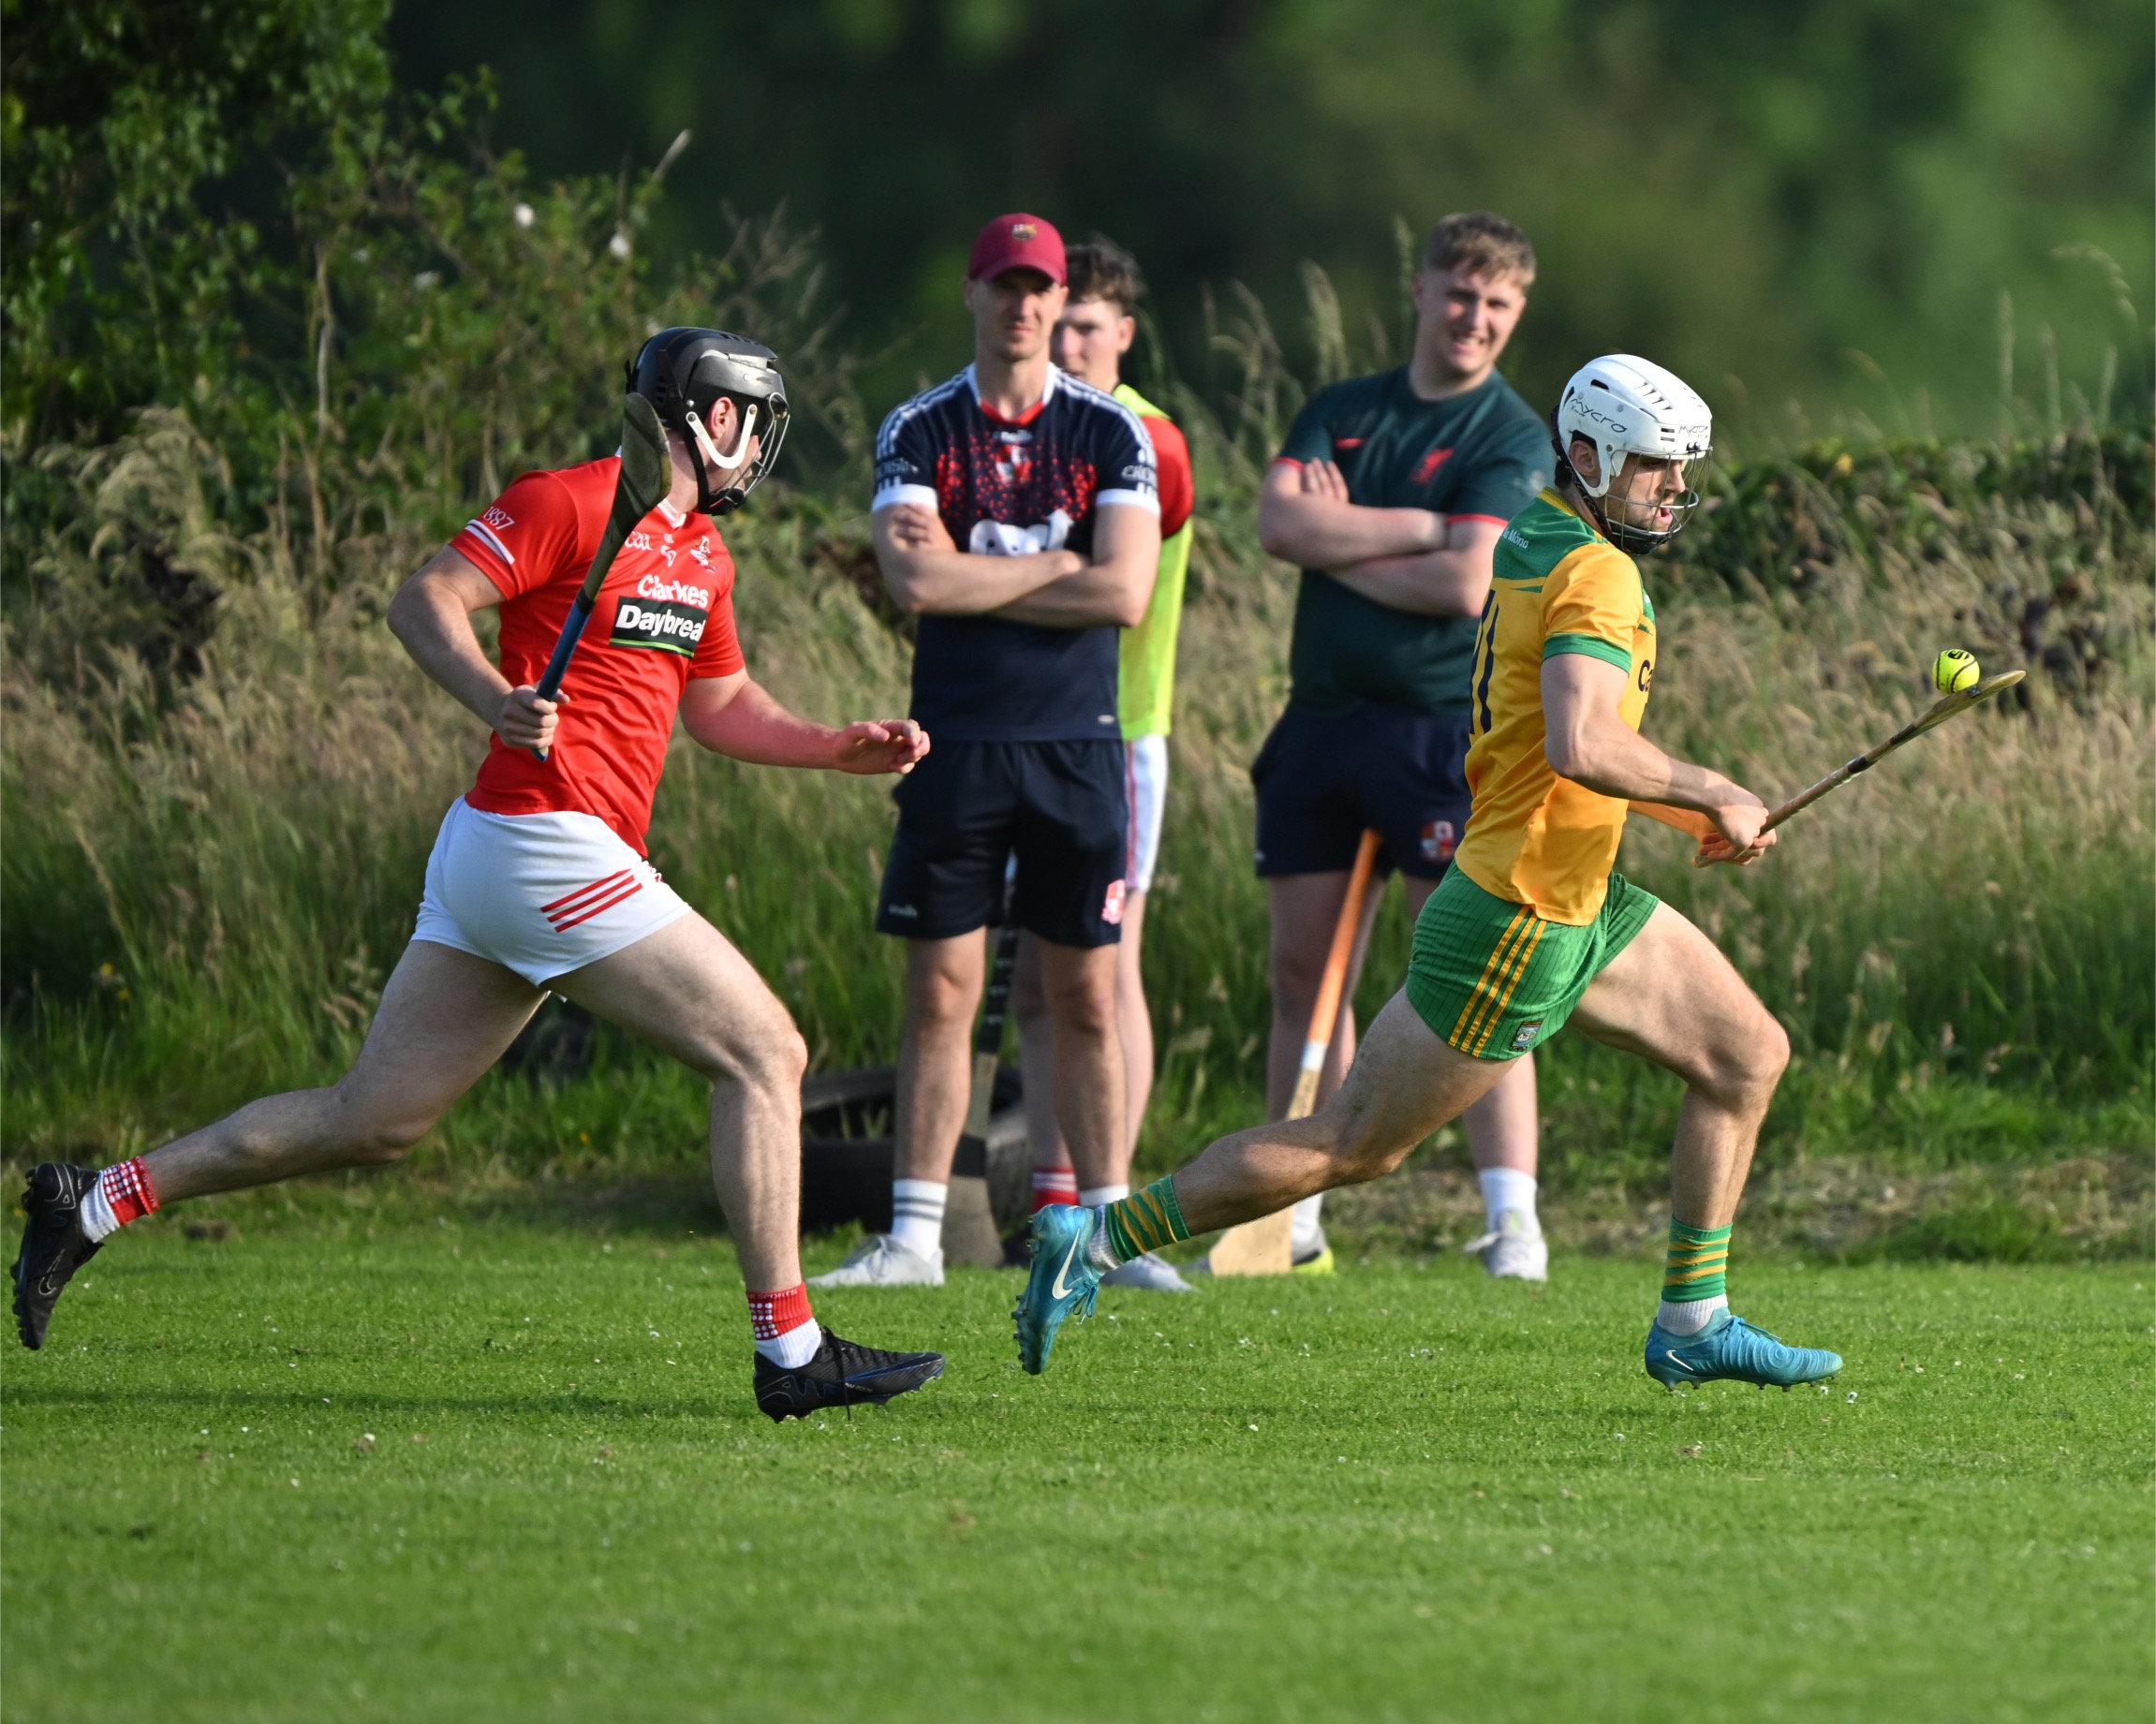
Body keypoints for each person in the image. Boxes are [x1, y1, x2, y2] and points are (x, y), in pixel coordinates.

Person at [11, 329, 946, 1422]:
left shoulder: (704, 555)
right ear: (708, 415)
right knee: (766, 1051)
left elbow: (721, 705)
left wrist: (833, 747)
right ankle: (791, 1349)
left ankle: (95, 1200)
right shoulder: (567, 501)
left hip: (513, 855)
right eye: (752, 418)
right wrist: (493, 698)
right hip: (543, 839)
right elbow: (425, 600)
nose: (757, 446)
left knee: (373, 1118)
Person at [1016, 353, 1846, 1394]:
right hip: (1519, 915)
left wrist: (1689, 811)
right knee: (1351, 1145)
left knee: (1745, 1056)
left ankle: (1693, 1321)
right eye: (1654, 466)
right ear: (1589, 458)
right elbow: (1581, 740)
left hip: (1580, 898)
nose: (1675, 488)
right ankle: (1095, 1239)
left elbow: (1551, 744)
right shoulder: (1596, 572)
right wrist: (1714, 785)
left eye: (1683, 468)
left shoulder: (1541, 531)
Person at [810, 214, 1160, 1289]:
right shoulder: (920, 427)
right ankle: (914, 1239)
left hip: (1076, 746)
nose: (1021, 305)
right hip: (955, 741)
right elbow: (915, 582)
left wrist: (979, 571)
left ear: (1058, 301)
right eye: (1003, 285)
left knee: (1087, 996)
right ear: (971, 293)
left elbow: (1126, 590)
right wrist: (1055, 566)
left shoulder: (1110, 431)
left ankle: (1108, 1238)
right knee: (941, 994)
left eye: (1037, 287)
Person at [1237, 213, 1558, 1280]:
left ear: (1516, 313)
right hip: (1321, 723)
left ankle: (1511, 1218)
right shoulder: (1343, 408)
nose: (1474, 317)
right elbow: (1277, 524)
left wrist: (1341, 542)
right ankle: (1291, 1216)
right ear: (1421, 291)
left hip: (1442, 734)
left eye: (1497, 302)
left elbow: (1466, 582)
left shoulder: (1509, 435)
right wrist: (1421, 524)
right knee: (1303, 973)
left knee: (1472, 973)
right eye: (1460, 293)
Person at [1009, 239, 1196, 1292]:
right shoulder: (1021, 426)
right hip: (1021, 726)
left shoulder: (1145, 436)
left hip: (1118, 729)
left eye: (1087, 326)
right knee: (1034, 979)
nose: (1068, 343)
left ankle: (1114, 1227)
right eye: (1057, 323)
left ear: (1122, 332)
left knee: (1106, 968)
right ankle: (1053, 1208)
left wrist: (983, 574)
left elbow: (1098, 575)